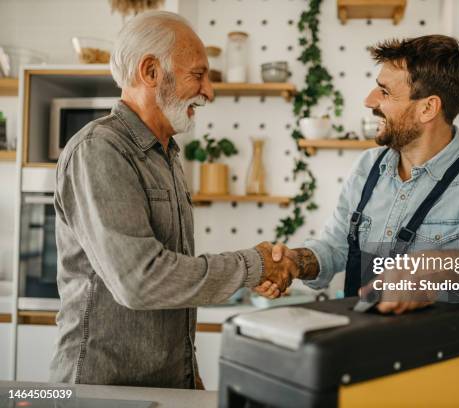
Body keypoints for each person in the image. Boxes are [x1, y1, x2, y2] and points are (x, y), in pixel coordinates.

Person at [50, 11, 295, 389]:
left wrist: (188, 375)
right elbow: (142, 280)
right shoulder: (99, 150)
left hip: (167, 386)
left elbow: (172, 284)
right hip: (103, 391)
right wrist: (253, 266)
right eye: (198, 75)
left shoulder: (167, 155)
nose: (209, 91)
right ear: (150, 72)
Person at [255, 35, 459, 313]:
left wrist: (436, 266)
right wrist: (294, 261)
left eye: (385, 92)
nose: (369, 101)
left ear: (427, 108)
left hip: (443, 356)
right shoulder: (367, 166)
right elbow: (335, 246)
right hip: (364, 349)